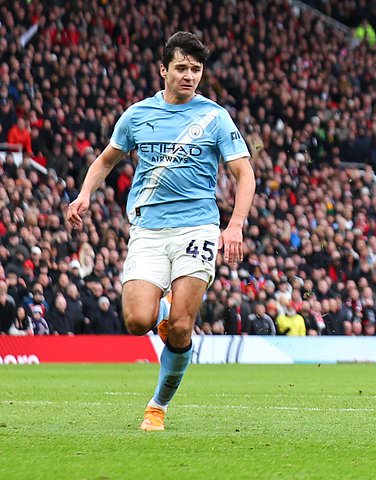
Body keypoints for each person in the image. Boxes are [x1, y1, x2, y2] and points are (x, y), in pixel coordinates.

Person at [66, 32, 255, 431]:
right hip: (148, 230)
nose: (189, 76)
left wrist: (235, 224)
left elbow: (244, 173)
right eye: (182, 68)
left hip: (198, 227)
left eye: (196, 70)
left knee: (183, 327)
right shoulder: (136, 115)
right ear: (163, 69)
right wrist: (83, 194)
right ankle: (164, 310)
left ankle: (158, 405)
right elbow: (105, 161)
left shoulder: (215, 117)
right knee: (137, 321)